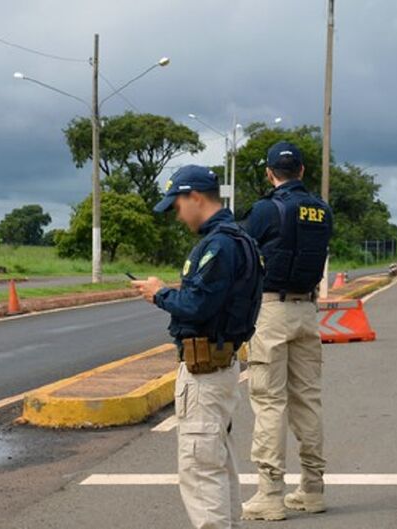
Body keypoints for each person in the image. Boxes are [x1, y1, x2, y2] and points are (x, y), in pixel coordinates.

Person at [132, 165, 263, 529]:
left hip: (205, 371)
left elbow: (196, 306)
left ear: (195, 197)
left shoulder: (218, 245)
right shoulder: (241, 239)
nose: (176, 213)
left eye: (177, 204)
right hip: (223, 365)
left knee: (201, 471)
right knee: (218, 464)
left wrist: (159, 293)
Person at [239, 142, 333, 521]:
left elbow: (243, 253)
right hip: (308, 311)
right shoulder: (322, 211)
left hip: (272, 310)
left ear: (269, 172)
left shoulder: (265, 210)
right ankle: (312, 488)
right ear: (303, 171)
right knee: (307, 399)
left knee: (269, 401)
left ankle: (270, 493)